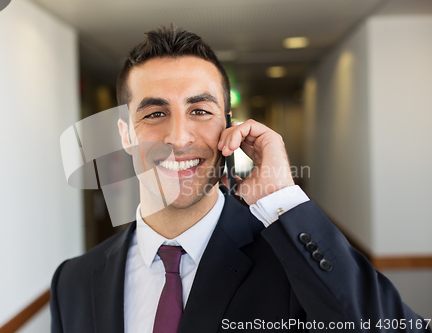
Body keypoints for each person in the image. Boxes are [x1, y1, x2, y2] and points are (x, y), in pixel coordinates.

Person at [50, 26, 431, 333]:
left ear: (229, 127)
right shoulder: (73, 282)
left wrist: (283, 198)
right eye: (154, 114)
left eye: (200, 110)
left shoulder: (294, 266)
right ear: (125, 135)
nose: (179, 138)